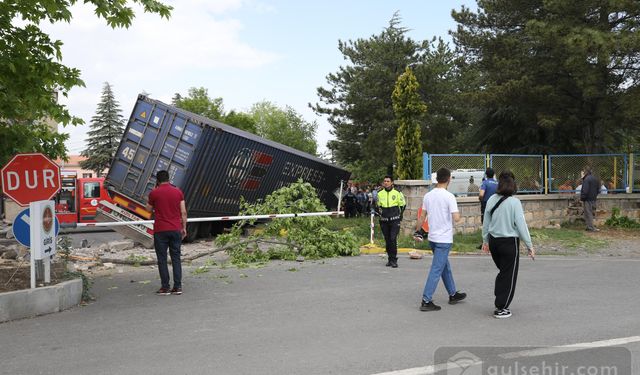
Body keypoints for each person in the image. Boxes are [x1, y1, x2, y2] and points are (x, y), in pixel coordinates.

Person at [482, 170, 534, 319]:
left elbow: (486, 222)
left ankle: (500, 299)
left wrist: (485, 240)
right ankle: (501, 307)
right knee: (508, 274)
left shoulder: (492, 199)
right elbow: (521, 225)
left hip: (494, 242)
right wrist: (530, 245)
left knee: (503, 272)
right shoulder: (515, 202)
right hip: (509, 243)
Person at [416, 168, 466, 311]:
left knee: (444, 266)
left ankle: (453, 293)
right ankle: (426, 300)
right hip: (444, 239)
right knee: (437, 269)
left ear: (437, 179)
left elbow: (421, 217)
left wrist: (417, 231)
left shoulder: (428, 196)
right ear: (449, 179)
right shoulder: (449, 196)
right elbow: (456, 218)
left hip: (433, 238)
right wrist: (459, 216)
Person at [145, 170, 188, 296]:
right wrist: (184, 227)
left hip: (161, 230)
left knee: (162, 259)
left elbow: (148, 209)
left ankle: (165, 287)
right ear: (169, 179)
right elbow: (183, 212)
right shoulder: (178, 191)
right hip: (175, 229)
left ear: (157, 180)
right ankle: (178, 287)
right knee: (176, 258)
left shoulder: (154, 193)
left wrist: (154, 191)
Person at [375, 175, 406, 268]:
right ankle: (389, 259)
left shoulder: (397, 192)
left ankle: (394, 260)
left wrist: (399, 216)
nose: (386, 183)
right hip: (384, 220)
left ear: (392, 182)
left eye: (388, 181)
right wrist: (379, 212)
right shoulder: (380, 193)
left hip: (394, 220)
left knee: (393, 239)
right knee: (387, 240)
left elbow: (403, 205)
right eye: (385, 181)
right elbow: (377, 206)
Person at [477, 168, 499, 249]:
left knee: (485, 223)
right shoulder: (498, 183)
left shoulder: (485, 183)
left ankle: (485, 243)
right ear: (493, 174)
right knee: (495, 223)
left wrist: (480, 200)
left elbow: (481, 194)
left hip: (486, 204)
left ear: (486, 175)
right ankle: (495, 242)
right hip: (497, 205)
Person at [580, 166, 600, 231]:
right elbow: (598, 189)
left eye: (583, 171)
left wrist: (582, 197)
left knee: (588, 213)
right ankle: (589, 226)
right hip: (593, 198)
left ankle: (591, 227)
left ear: (585, 171)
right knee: (591, 212)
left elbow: (585, 190)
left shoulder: (586, 179)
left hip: (587, 199)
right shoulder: (595, 179)